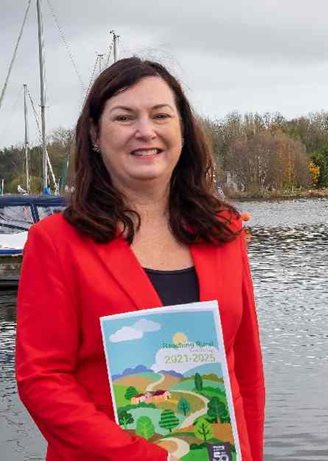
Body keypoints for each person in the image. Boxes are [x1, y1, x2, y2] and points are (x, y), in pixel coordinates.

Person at [15, 58, 265, 460]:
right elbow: (42, 381)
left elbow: (246, 372)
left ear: (181, 128)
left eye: (160, 115)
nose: (145, 131)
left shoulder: (224, 230)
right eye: (124, 117)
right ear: (95, 134)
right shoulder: (56, 242)